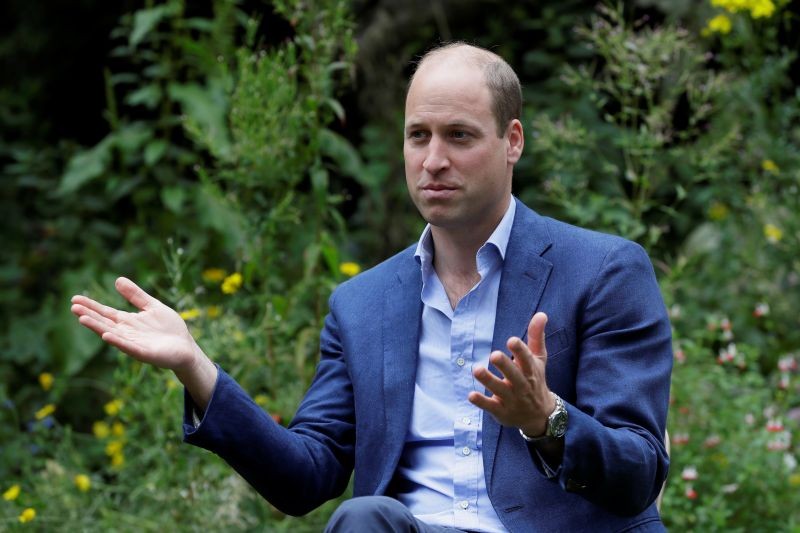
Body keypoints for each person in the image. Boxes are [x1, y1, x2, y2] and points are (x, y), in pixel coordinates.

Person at [71, 42, 672, 532]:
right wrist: (195, 367)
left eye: (459, 136)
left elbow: (639, 473)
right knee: (364, 517)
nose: (433, 159)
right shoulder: (363, 303)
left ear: (512, 140)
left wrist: (547, 420)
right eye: (418, 136)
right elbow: (305, 478)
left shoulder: (603, 271)